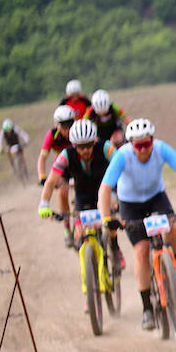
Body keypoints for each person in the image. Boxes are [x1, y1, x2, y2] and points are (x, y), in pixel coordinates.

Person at [98, 118, 176, 331]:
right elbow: (105, 188)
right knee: (141, 250)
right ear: (131, 144)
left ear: (152, 141)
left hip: (156, 197)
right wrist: (106, 218)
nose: (144, 149)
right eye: (139, 146)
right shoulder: (122, 156)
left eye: (147, 144)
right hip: (130, 204)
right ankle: (147, 308)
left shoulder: (161, 149)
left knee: (171, 226)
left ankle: (175, 264)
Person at [37, 119, 119, 266]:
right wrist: (44, 203)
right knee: (80, 232)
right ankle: (89, 270)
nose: (86, 150)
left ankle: (114, 246)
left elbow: (123, 165)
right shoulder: (66, 155)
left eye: (89, 145)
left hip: (105, 193)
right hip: (82, 196)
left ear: (94, 141)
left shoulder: (105, 147)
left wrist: (120, 196)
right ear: (74, 145)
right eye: (81, 147)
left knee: (111, 220)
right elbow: (50, 182)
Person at [37, 104, 77, 246]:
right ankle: (67, 229)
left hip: (78, 164)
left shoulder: (78, 132)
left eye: (70, 124)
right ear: (56, 125)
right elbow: (42, 157)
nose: (67, 129)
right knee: (63, 191)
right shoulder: (51, 135)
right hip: (62, 166)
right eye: (63, 126)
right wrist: (42, 175)